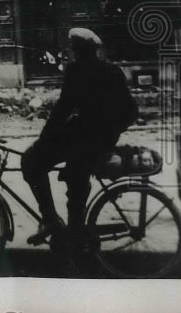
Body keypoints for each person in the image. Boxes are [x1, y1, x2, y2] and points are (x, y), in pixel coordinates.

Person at [22, 27, 138, 245]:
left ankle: (51, 220)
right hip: (99, 141)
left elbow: (62, 110)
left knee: (31, 161)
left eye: (74, 48)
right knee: (77, 182)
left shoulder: (76, 70)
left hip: (82, 138)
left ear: (77, 50)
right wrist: (111, 134)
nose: (73, 52)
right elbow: (131, 111)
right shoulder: (113, 71)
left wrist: (44, 139)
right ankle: (75, 234)